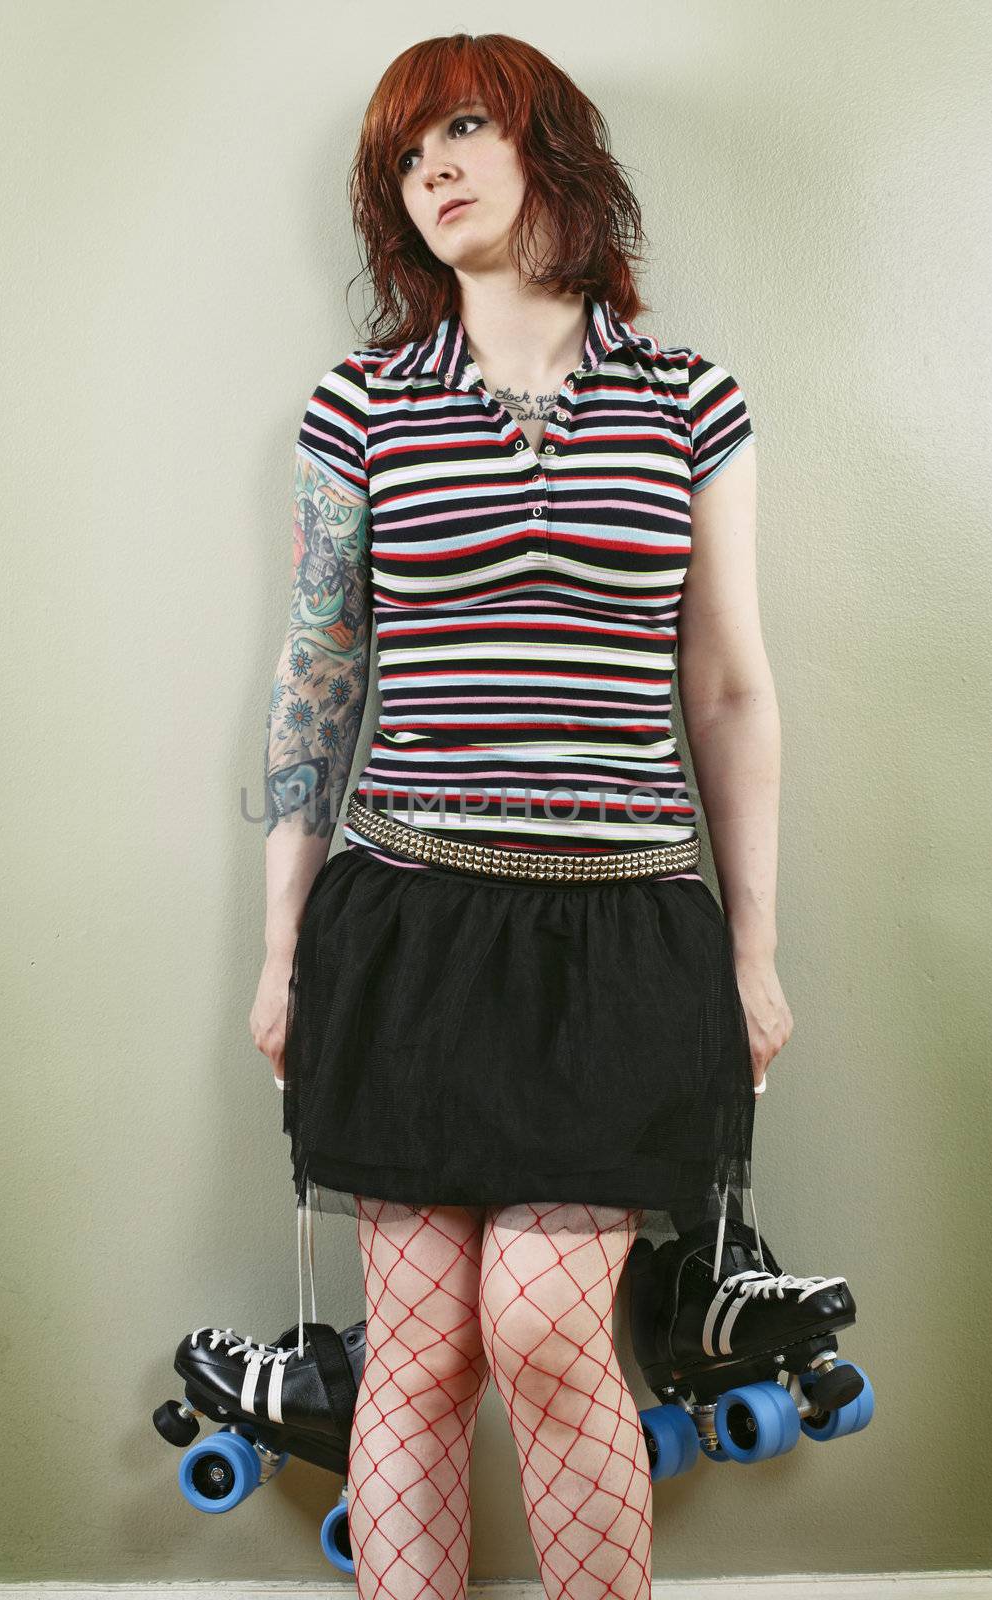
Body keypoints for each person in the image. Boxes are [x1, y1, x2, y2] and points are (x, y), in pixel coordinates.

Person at [250, 31, 792, 1600]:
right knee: (418, 1363)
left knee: (552, 1330)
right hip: (405, 923)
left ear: (550, 144)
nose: (433, 169)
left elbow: (733, 694)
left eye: (464, 127)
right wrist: (284, 948)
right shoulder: (360, 407)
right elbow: (313, 684)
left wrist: (752, 950)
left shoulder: (692, 400)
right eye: (403, 158)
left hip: (624, 930)